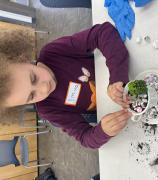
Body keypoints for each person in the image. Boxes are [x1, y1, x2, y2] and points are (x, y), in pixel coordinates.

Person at [0, 22, 132, 149]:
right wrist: (103, 131)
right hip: (118, 110)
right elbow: (84, 137)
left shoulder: (52, 53)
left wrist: (117, 78)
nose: (45, 88)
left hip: (126, 71)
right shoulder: (47, 109)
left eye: (34, 78)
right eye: (32, 96)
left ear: (23, 58)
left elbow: (102, 32)